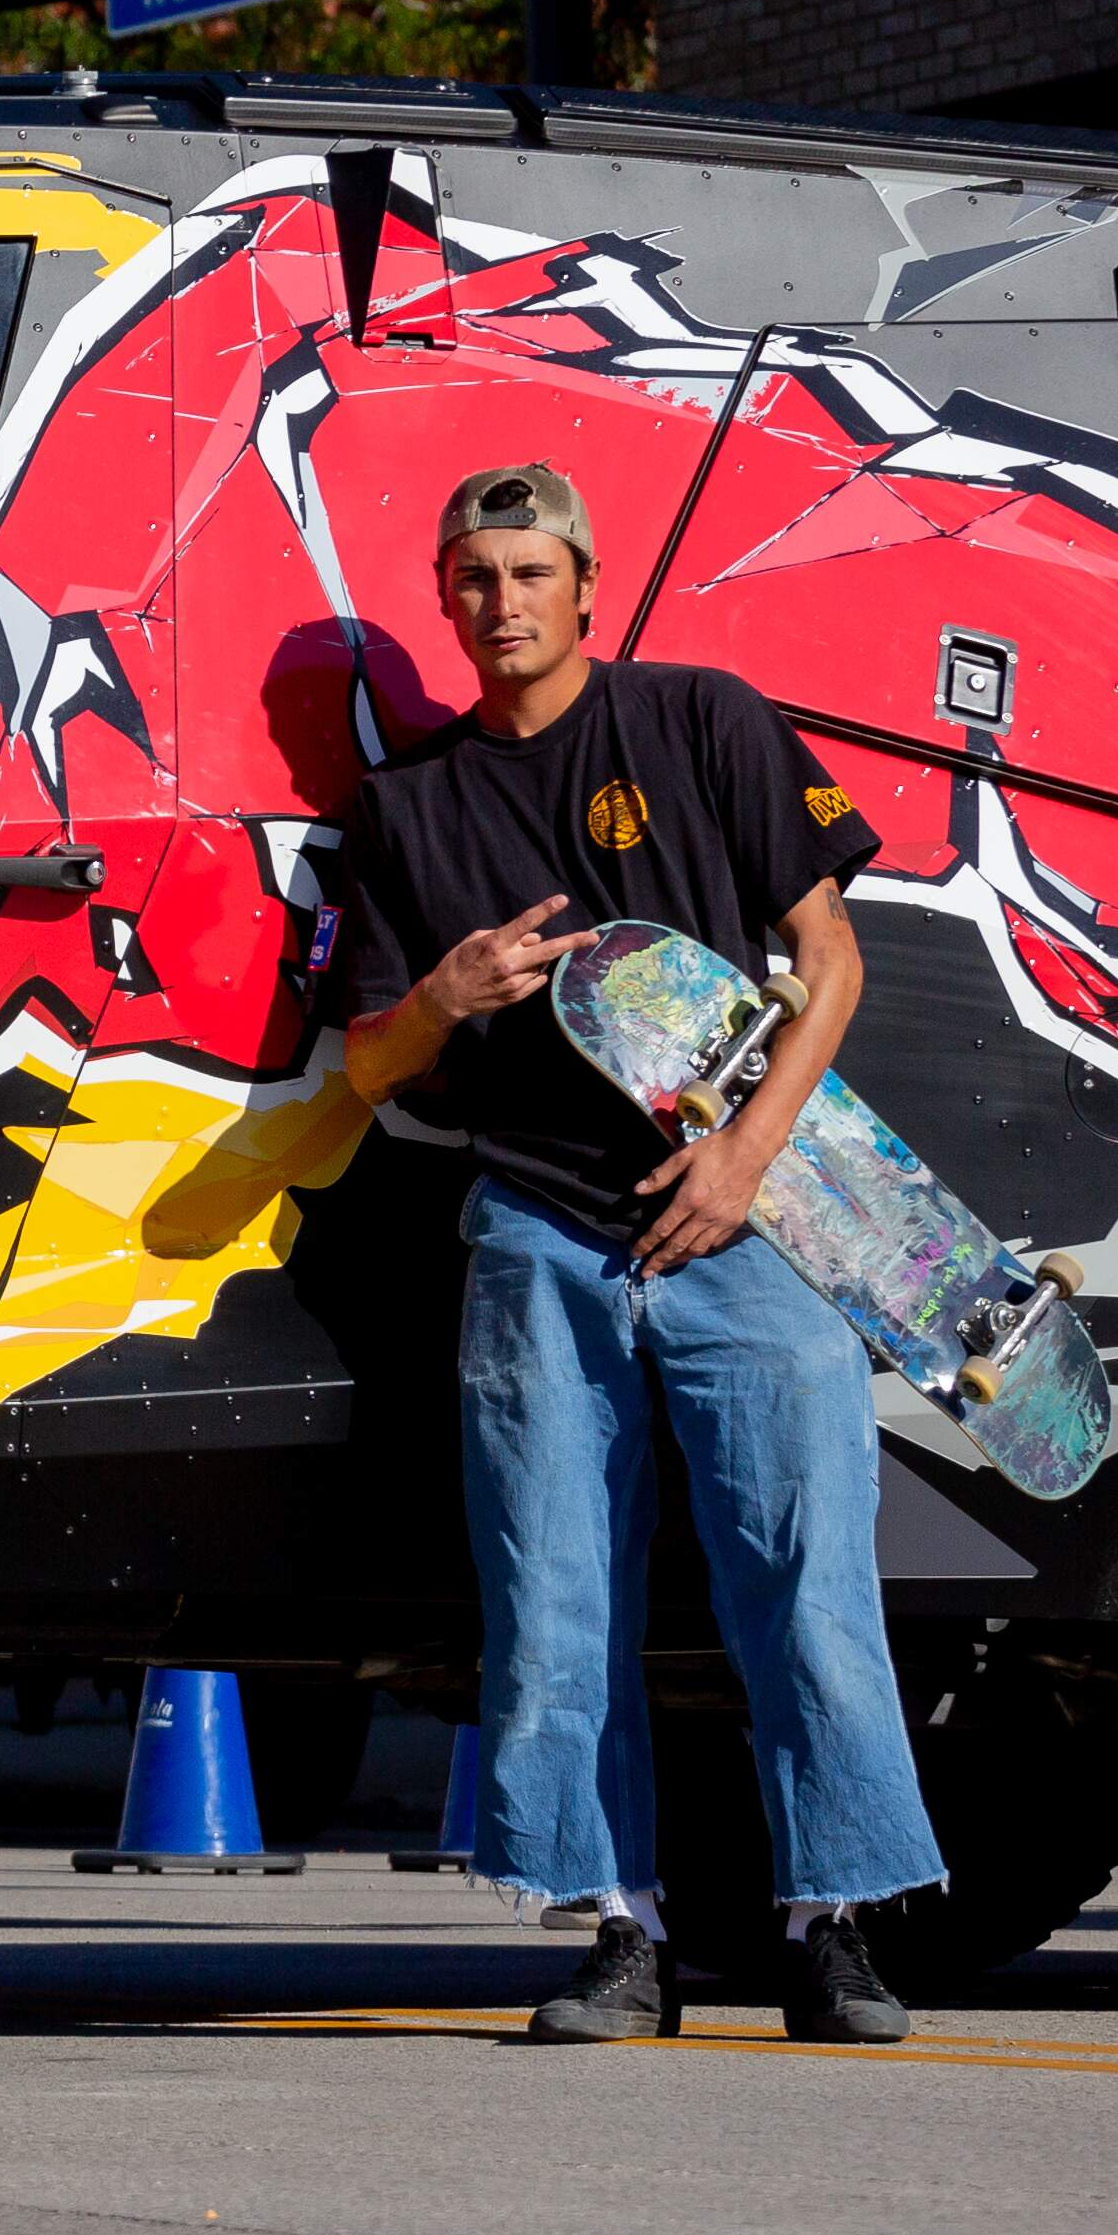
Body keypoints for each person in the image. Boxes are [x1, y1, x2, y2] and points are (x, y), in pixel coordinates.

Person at [332, 462, 941, 2044]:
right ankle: (621, 1933)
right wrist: (442, 999)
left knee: (804, 1577)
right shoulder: (406, 807)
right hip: (537, 1226)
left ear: (586, 588)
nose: (503, 602)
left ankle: (831, 1923)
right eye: (473, 577)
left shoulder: (699, 721)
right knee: (554, 1599)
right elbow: (365, 1071)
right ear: (446, 600)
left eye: (532, 572)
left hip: (746, 1218)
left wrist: (746, 1161)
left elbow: (832, 956)